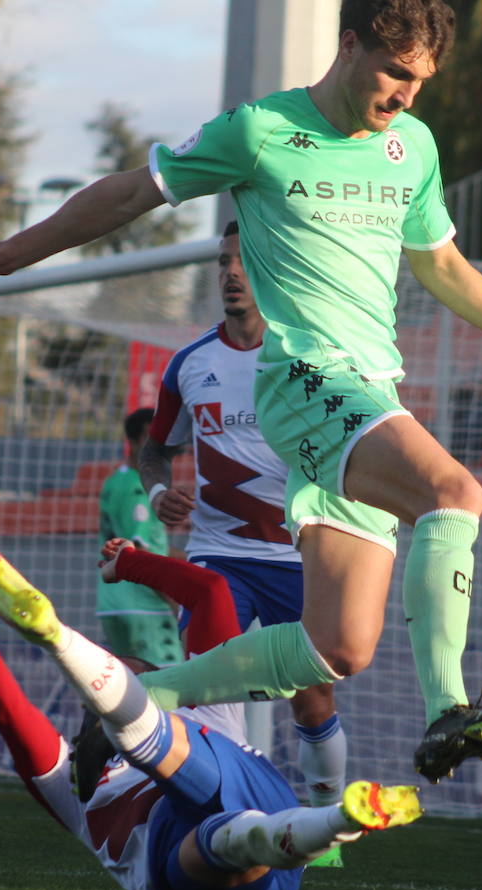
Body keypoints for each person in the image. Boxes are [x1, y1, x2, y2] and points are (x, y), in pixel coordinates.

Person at [0, 0, 482, 783]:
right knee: (453, 492)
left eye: (422, 81)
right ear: (349, 45)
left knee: (338, 647)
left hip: (371, 394)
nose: (406, 95)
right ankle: (448, 710)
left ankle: (140, 699)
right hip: (305, 380)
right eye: (396, 72)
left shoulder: (413, 146)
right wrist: (8, 253)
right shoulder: (260, 131)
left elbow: (440, 265)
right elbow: (131, 194)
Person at [0, 532, 420, 890]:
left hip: (242, 796)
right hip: (208, 862)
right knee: (224, 838)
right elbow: (5, 705)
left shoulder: (202, 696)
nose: (123, 663)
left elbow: (211, 592)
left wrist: (129, 563)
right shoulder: (69, 781)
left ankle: (341, 822)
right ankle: (342, 821)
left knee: (211, 803)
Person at [140, 221, 347, 839]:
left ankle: (326, 824)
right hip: (217, 558)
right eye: (224, 262)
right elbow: (155, 451)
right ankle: (223, 822)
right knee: (209, 692)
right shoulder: (189, 363)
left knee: (311, 702)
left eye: (244, 261)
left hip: (295, 559)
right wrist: (158, 493)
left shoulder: (306, 358)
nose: (232, 273)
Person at [97, 407, 184, 667]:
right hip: (145, 607)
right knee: (166, 688)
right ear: (133, 443)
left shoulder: (115, 481)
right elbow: (139, 556)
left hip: (112, 603)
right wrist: (175, 599)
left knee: (132, 688)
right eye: (150, 438)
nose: (158, 445)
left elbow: (152, 547)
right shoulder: (139, 488)